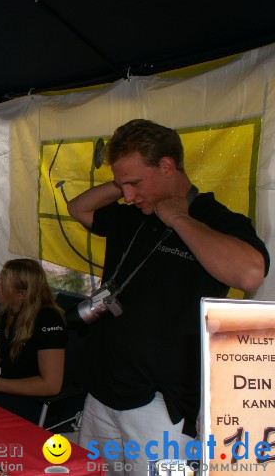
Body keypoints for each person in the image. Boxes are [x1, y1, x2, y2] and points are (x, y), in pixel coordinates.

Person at [67, 119, 269, 475]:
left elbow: (250, 273)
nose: (127, 195)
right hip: (102, 390)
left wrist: (181, 220)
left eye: (133, 182)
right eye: (121, 184)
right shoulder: (134, 213)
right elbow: (78, 209)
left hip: (160, 405)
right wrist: (124, 183)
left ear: (167, 165)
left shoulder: (214, 218)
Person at [0, 259, 66, 424]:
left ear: (21, 295)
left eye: (3, 282)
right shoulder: (6, 311)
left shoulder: (49, 319)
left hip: (33, 402)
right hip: (6, 392)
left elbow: (51, 384)